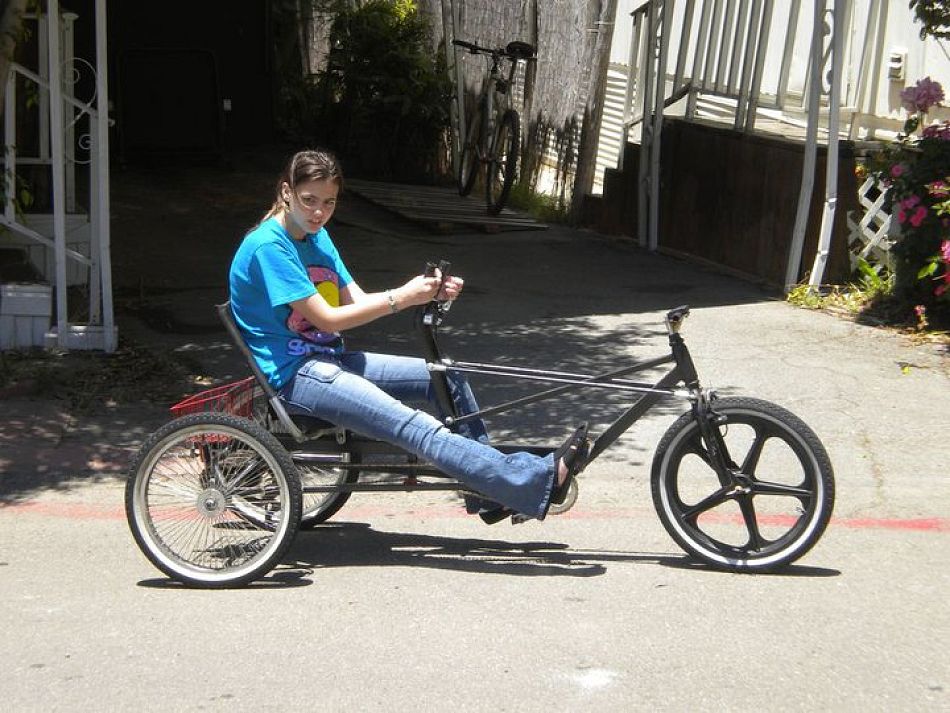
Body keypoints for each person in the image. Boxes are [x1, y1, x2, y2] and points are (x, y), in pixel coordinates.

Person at [228, 149, 587, 522]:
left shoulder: (315, 237)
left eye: (329, 202)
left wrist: (426, 293)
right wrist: (403, 297)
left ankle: (493, 493)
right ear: (286, 192)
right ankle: (532, 480)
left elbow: (358, 301)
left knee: (445, 377)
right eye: (309, 200)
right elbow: (330, 318)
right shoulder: (270, 246)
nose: (319, 212)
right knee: (414, 426)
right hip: (296, 375)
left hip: (329, 361)